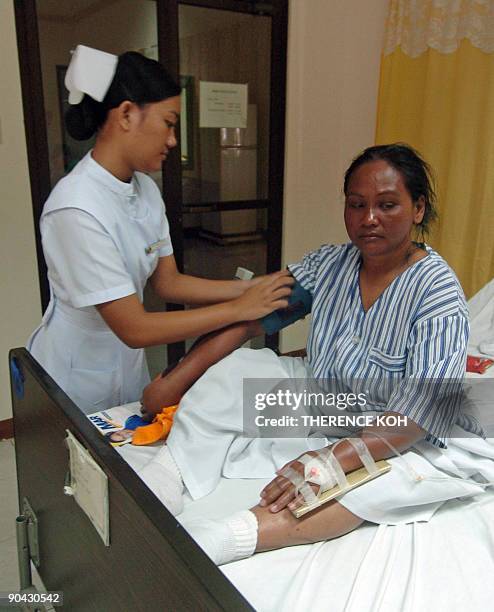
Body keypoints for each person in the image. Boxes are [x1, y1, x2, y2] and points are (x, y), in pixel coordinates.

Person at [136, 143, 494, 559]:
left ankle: (223, 538)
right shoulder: (330, 265)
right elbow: (251, 318)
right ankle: (168, 475)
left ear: (418, 208)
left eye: (388, 205)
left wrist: (334, 457)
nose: (369, 219)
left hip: (398, 431)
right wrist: (175, 380)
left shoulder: (437, 293)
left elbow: (419, 413)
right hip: (327, 402)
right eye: (357, 205)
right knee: (236, 372)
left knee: (376, 482)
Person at [27, 45, 292, 415]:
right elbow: (134, 327)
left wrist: (250, 288)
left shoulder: (145, 189)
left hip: (125, 362)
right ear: (125, 115)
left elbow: (168, 282)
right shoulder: (75, 207)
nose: (172, 140)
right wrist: (238, 308)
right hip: (76, 375)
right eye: (168, 123)